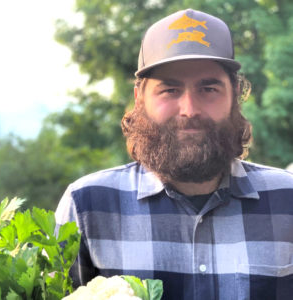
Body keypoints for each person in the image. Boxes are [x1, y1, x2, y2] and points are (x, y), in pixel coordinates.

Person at [55, 8, 293, 300]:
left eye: (209, 88)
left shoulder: (287, 199)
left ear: (235, 96)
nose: (189, 109)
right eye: (169, 90)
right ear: (139, 99)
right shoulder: (86, 207)